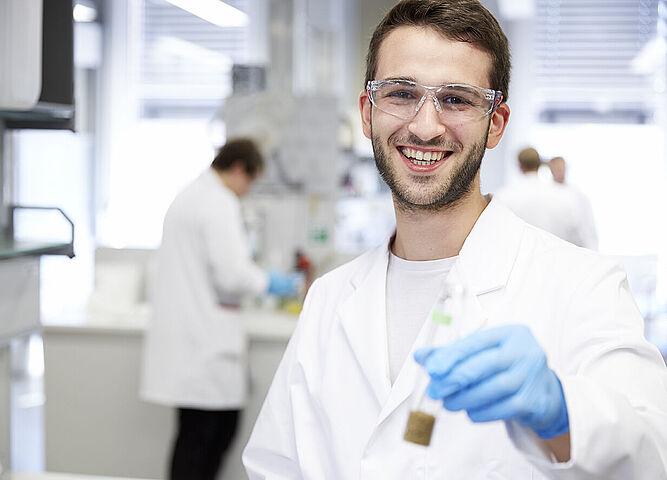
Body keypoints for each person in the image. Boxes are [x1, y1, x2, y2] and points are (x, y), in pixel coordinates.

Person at [243, 1, 667, 478]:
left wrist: (563, 413)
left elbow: (651, 450)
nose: (425, 127)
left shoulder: (584, 287)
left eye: (457, 99)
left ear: (496, 123)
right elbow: (274, 467)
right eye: (401, 93)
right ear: (367, 113)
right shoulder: (328, 299)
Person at [139, 138, 300, 480]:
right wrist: (271, 282)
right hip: (203, 341)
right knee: (204, 439)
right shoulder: (217, 201)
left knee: (200, 436)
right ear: (239, 169)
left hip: (193, 336)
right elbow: (232, 274)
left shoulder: (192, 196)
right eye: (251, 182)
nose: (247, 191)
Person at [494, 147, 592, 248]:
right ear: (539, 164)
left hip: (518, 258)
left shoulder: (503, 196)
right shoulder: (562, 195)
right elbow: (579, 234)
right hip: (557, 257)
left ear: (520, 166)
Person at [548, 155, 599, 249]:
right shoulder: (546, 194)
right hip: (555, 244)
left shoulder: (578, 194)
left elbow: (588, 224)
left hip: (578, 246)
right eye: (557, 168)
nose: (560, 171)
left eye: (562, 168)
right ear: (551, 169)